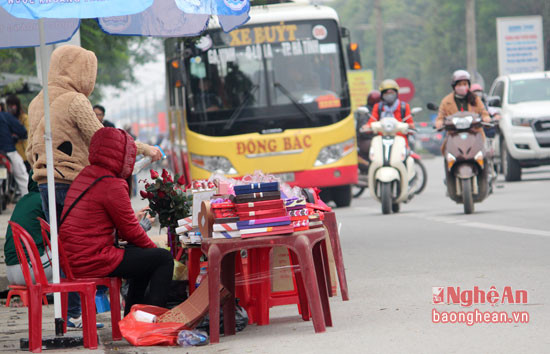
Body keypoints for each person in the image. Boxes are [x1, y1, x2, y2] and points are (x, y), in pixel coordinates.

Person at [26, 45, 161, 224]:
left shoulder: (35, 102)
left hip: (44, 183)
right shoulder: (75, 99)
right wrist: (145, 149)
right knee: (82, 240)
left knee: (62, 242)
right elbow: (106, 140)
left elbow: (29, 151)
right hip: (73, 183)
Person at [59, 127, 173, 316]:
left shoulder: (87, 174)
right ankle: (153, 319)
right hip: (90, 258)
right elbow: (131, 232)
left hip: (75, 255)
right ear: (123, 155)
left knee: (144, 257)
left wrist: (140, 235)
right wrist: (153, 248)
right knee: (162, 259)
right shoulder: (112, 183)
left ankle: (133, 317)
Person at [4, 171, 50, 285]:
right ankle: (57, 292)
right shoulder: (44, 200)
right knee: (66, 252)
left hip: (10, 271)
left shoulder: (23, 200)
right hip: (27, 270)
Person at [434, 70, 490, 147]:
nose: (462, 86)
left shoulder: (476, 99)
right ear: (454, 86)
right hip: (454, 137)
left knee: (483, 155)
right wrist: (439, 122)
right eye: (459, 84)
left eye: (465, 84)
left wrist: (486, 117)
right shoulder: (446, 101)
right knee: (448, 154)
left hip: (475, 135)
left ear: (469, 85)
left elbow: (484, 112)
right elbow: (440, 116)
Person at [366, 79, 415, 146]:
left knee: (410, 156)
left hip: (400, 142)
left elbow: (410, 124)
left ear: (396, 93)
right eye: (386, 93)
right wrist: (367, 127)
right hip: (381, 142)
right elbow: (371, 122)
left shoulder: (403, 107)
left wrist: (410, 127)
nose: (389, 95)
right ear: (382, 95)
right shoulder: (378, 107)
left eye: (391, 93)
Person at [0, 111, 29, 197]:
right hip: (8, 151)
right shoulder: (5, 116)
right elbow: (22, 130)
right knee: (23, 178)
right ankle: (28, 199)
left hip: (6, 152)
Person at [6, 95, 30, 171]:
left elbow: (27, 132)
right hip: (11, 153)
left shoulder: (24, 118)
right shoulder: (6, 118)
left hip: (23, 154)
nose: (11, 108)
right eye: (9, 105)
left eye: (12, 105)